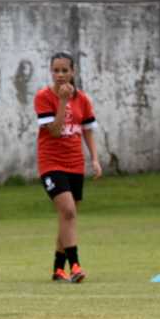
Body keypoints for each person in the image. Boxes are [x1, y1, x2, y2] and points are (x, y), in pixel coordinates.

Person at [35, 52, 102, 283]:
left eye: (65, 70)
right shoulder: (43, 97)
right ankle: (75, 266)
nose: (60, 75)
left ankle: (58, 269)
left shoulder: (83, 99)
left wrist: (94, 159)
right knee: (69, 211)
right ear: (51, 72)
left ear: (73, 72)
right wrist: (63, 102)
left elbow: (87, 130)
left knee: (67, 217)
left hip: (75, 164)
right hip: (51, 163)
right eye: (56, 70)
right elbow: (54, 131)